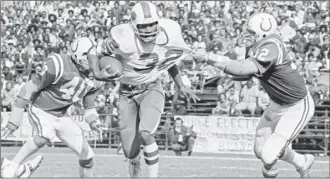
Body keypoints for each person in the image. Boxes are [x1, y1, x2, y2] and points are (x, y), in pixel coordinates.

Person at [192, 12, 315, 178]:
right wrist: (222, 72)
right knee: (260, 149)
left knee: (268, 155)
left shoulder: (271, 45)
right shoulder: (259, 45)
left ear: (263, 33)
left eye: (251, 32)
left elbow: (243, 68)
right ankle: (301, 161)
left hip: (297, 105)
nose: (246, 35)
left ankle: (278, 168)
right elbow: (248, 73)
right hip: (278, 103)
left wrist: (209, 57)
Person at [88, 2, 199, 177]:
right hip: (126, 93)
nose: (148, 29)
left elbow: (168, 61)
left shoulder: (168, 35)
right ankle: (134, 163)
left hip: (151, 88)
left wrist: (181, 85)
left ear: (159, 22)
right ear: (134, 26)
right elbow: (94, 52)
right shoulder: (122, 39)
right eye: (144, 25)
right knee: (129, 151)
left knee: (145, 133)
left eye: (152, 24)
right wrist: (96, 72)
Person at [1, 37, 105, 178]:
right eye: (89, 58)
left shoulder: (96, 78)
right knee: (44, 136)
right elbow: (30, 86)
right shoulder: (59, 64)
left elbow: (89, 106)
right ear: (78, 57)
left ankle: (19, 170)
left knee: (87, 157)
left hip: (61, 114)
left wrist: (94, 122)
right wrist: (16, 115)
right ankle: (12, 167)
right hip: (40, 108)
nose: (94, 62)